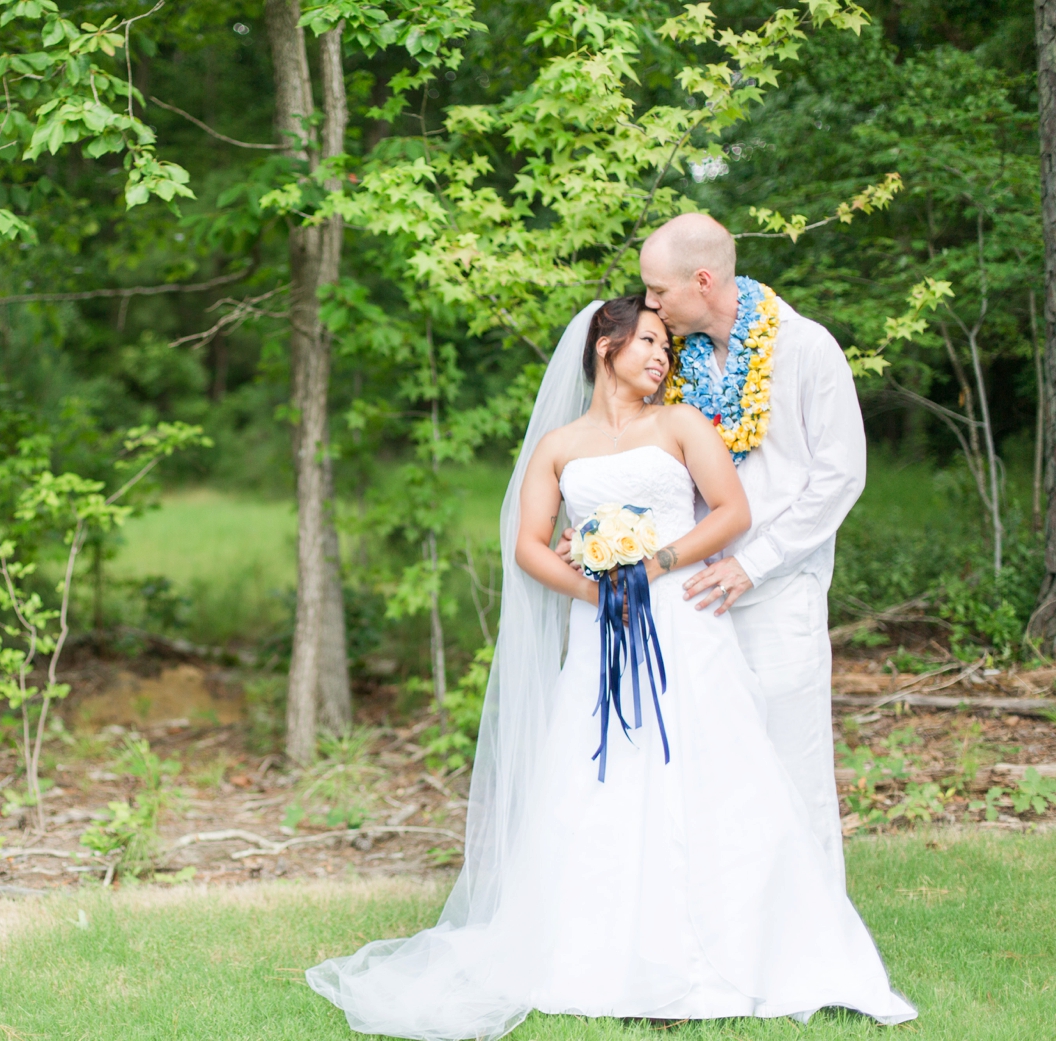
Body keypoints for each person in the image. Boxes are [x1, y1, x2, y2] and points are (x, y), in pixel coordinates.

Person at [305, 296, 914, 1040]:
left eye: (668, 345)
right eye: (650, 342)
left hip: (684, 622)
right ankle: (605, 958)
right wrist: (595, 588)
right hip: (604, 629)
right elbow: (531, 543)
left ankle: (742, 946)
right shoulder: (559, 446)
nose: (664, 357)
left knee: (711, 772)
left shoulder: (681, 424)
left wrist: (655, 563)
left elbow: (731, 512)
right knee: (606, 781)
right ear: (605, 346)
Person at [636, 212, 864, 880]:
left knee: (792, 768)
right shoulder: (673, 357)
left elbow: (840, 475)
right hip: (693, 596)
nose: (651, 304)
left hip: (777, 591)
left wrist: (753, 563)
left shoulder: (805, 348)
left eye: (659, 291)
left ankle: (818, 951)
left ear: (702, 280)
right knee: (714, 773)